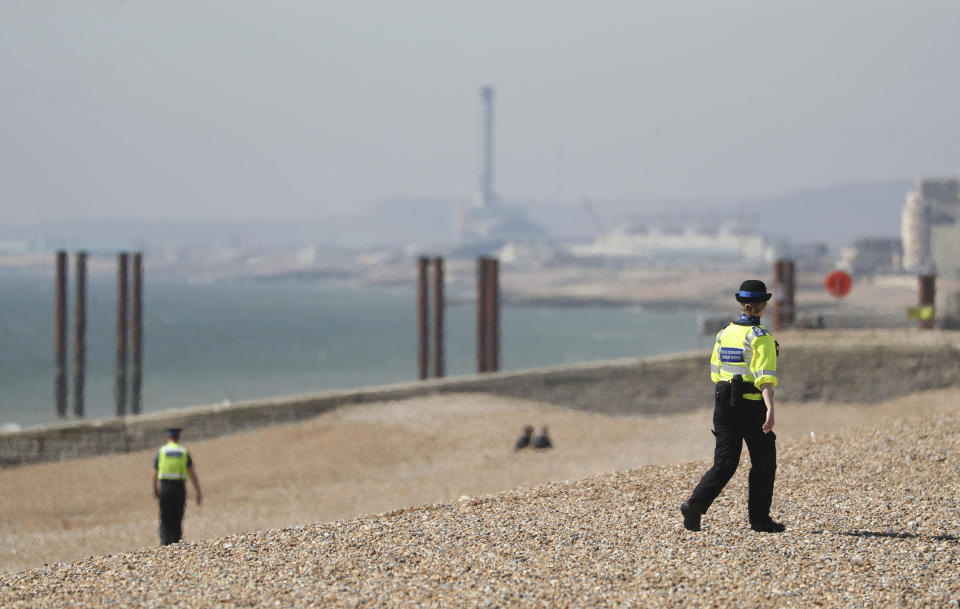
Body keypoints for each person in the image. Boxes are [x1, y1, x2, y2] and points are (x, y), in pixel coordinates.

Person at [680, 280, 784, 533]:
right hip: (750, 406)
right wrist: (770, 409)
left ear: (741, 304)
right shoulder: (761, 338)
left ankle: (695, 505)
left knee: (725, 463)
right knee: (763, 463)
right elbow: (765, 379)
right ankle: (759, 520)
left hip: (722, 404)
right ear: (764, 306)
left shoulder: (725, 332)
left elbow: (716, 371)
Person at [153, 428, 202, 545]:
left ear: (168, 438)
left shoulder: (162, 451)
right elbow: (192, 472)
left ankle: (165, 543)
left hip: (165, 486)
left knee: (165, 516)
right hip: (179, 486)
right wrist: (198, 491)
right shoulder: (183, 451)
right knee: (177, 515)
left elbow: (155, 472)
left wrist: (155, 488)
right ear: (178, 438)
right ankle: (176, 541)